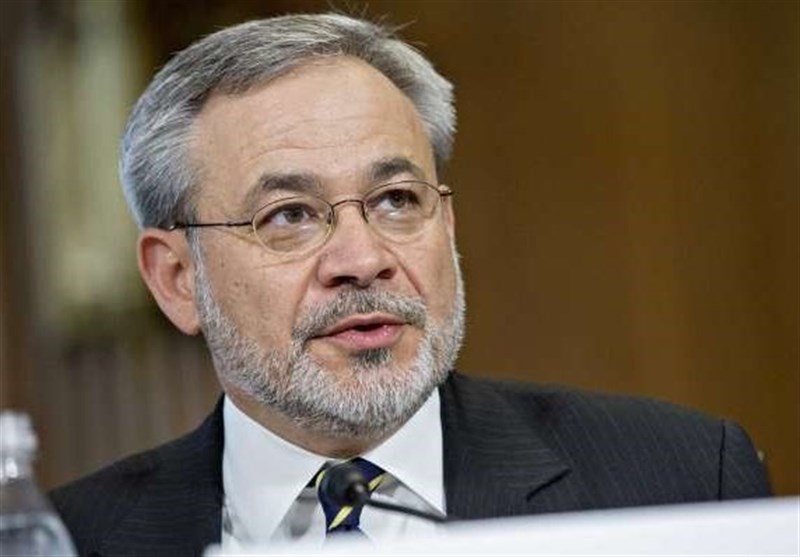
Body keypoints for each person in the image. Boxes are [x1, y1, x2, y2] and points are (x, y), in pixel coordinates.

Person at [50, 13, 771, 557]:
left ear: (446, 223)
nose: (363, 258)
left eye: (397, 199)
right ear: (177, 279)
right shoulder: (63, 540)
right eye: (290, 215)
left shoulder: (680, 480)